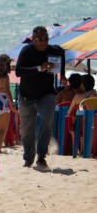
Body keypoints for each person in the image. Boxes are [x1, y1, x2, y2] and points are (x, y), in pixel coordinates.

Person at [16, 26, 66, 170]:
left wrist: (62, 73)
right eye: (40, 39)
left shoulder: (53, 50)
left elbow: (62, 52)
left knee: (47, 119)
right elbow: (19, 71)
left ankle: (41, 156)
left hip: (47, 93)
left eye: (46, 39)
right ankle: (28, 159)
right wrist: (39, 68)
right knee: (27, 128)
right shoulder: (27, 51)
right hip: (26, 96)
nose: (44, 42)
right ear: (33, 39)